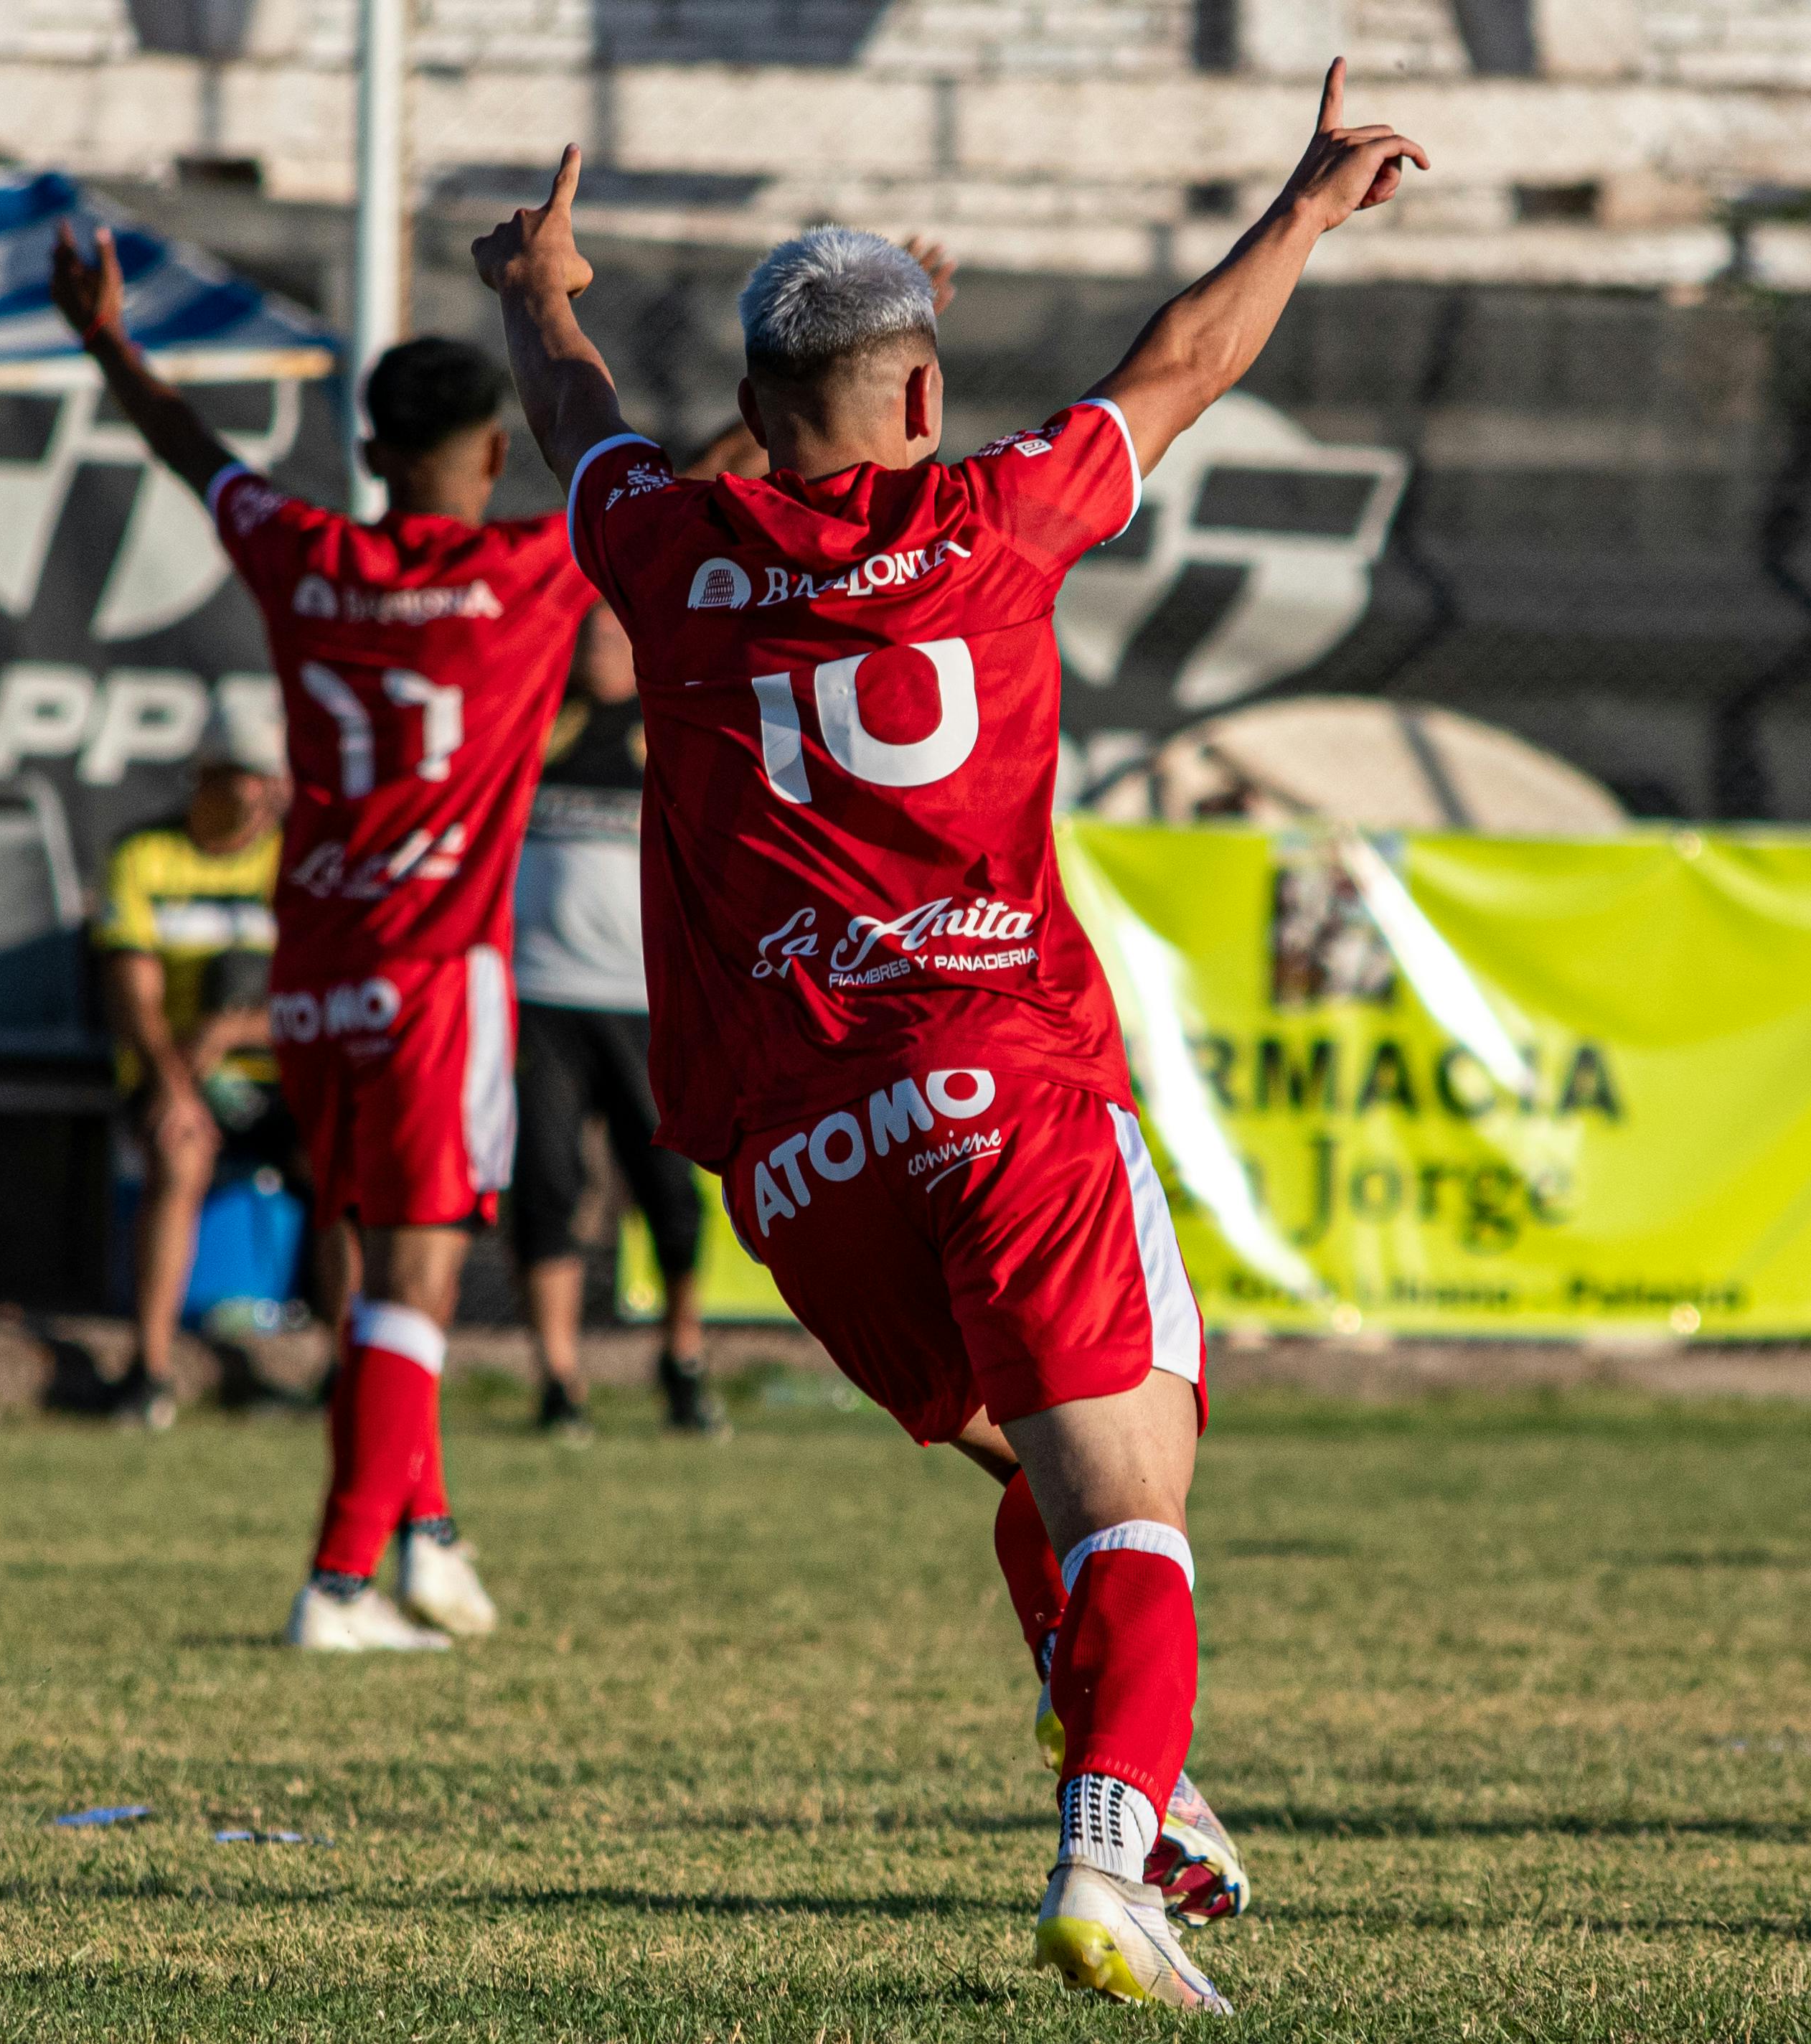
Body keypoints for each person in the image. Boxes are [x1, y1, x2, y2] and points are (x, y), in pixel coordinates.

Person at [476, 60, 1426, 2011]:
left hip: (804, 1159)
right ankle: (1105, 1859)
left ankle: (1143, 1796)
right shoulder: (1000, 516)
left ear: (747, 425)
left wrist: (536, 290)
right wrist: (1311, 207)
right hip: (1003, 1084)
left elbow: (577, 420)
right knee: (1139, 1489)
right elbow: (1182, 362)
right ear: (925, 397)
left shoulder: (670, 556)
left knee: (1041, 1463)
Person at [52, 221, 590, 1654]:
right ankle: (341, 1579)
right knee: (416, 1274)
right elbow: (681, 478)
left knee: (368, 1264)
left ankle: (421, 1536)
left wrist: (107, 336)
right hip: (438, 972)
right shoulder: (531, 573)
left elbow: (195, 456)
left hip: (320, 972)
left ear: (367, 454)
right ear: (489, 456)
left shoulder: (304, 553)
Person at [509, 604, 720, 1440]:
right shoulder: (539, 726)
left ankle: (685, 1358)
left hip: (645, 1002)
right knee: (548, 1184)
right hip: (542, 1000)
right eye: (588, 633)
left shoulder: (669, 726)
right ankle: (560, 1380)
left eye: (613, 632)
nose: (599, 644)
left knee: (670, 1188)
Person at [97, 709, 296, 1430]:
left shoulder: (296, 860)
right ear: (204, 780)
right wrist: (178, 1083)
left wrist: (237, 1028)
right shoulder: (144, 854)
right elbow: (134, 999)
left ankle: (350, 1372)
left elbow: (324, 988)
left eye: (271, 780)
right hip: (171, 1068)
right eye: (246, 778)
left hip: (279, 1069)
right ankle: (148, 1369)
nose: (262, 796)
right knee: (179, 1155)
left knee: (351, 1165)